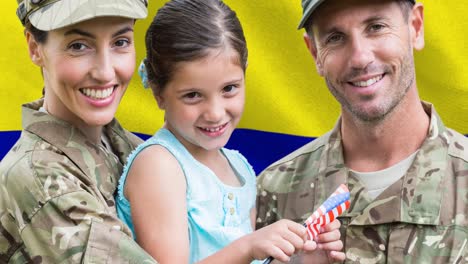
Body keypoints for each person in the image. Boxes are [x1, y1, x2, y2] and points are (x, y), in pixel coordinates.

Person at [115, 0, 345, 263]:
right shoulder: (159, 165)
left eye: (229, 89)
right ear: (158, 94)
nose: (215, 112)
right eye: (192, 95)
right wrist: (248, 247)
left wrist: (306, 258)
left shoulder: (239, 167)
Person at [256, 0, 468, 262]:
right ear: (314, 54)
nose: (360, 58)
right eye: (335, 38)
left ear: (416, 26)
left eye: (376, 27)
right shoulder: (274, 191)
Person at [0, 0, 159, 263]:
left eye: (120, 42)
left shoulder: (125, 147)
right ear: (34, 47)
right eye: (78, 46)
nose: (105, 72)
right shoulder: (40, 180)